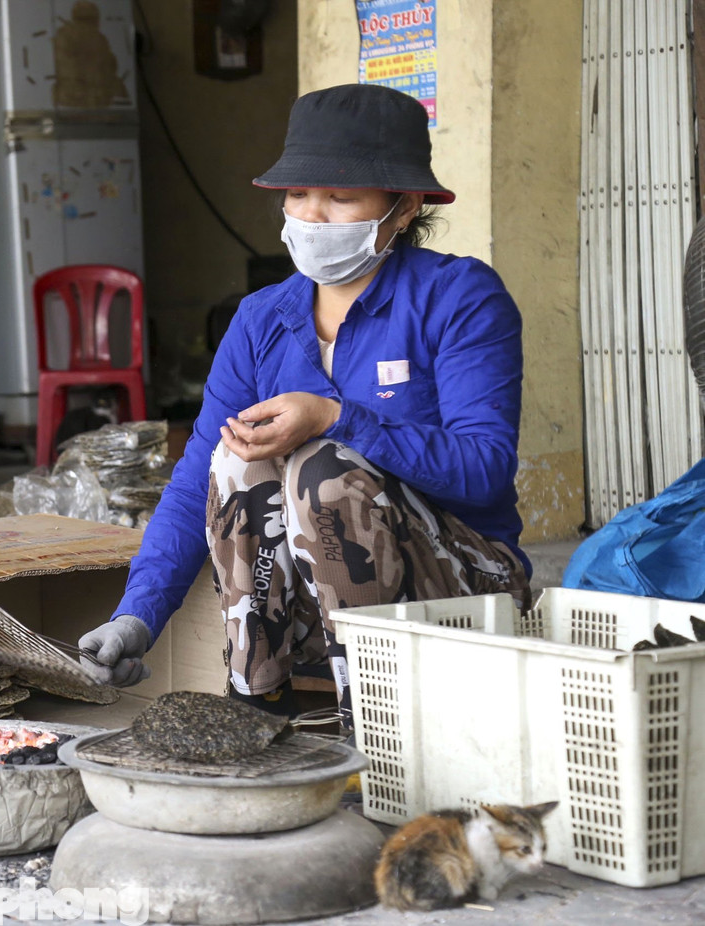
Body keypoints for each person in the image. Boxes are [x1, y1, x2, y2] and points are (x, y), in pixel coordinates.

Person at [77, 84, 532, 731]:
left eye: (340, 196)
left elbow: (485, 468)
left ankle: (378, 734)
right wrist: (137, 615)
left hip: (465, 587)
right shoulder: (262, 318)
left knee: (322, 465)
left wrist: (336, 417)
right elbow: (195, 478)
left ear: (402, 209)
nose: (312, 215)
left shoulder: (460, 296)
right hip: (320, 611)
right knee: (237, 464)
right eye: (298, 194)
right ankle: (256, 709)